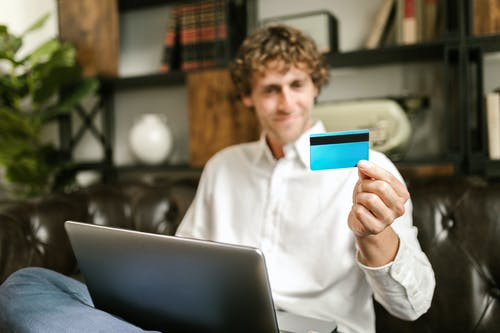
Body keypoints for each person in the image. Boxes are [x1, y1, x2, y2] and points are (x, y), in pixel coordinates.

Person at [0, 25, 435, 333]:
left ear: (315, 87)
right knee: (26, 284)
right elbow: (184, 266)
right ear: (248, 97)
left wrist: (375, 237)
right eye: (270, 89)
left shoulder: (364, 166)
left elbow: (413, 306)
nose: (286, 103)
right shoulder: (226, 166)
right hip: (217, 325)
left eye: (296, 84)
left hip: (320, 328)